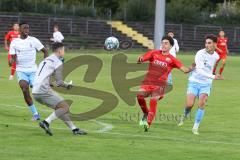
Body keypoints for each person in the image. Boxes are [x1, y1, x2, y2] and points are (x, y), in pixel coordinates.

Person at [137, 36, 194, 132]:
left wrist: (192, 67)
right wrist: (140, 59)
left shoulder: (172, 59)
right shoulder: (154, 53)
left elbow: (184, 70)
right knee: (139, 96)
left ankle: (148, 124)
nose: (163, 45)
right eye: (162, 42)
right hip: (148, 82)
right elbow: (142, 59)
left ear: (171, 46)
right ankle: (146, 113)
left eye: (166, 43)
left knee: (153, 100)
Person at [32, 42, 87, 136]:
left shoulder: (45, 60)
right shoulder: (57, 62)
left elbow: (45, 78)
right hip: (43, 90)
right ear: (59, 51)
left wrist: (52, 84)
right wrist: (68, 86)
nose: (64, 52)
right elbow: (60, 82)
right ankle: (46, 122)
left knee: (60, 109)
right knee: (64, 107)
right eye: (64, 50)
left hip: (35, 91)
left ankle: (74, 129)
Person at [178, 34, 224, 135]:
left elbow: (210, 69)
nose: (207, 45)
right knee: (190, 104)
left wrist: (214, 74)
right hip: (194, 81)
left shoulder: (216, 56)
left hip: (206, 84)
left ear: (215, 44)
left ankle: (195, 127)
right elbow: (199, 70)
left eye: (209, 43)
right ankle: (185, 115)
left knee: (202, 104)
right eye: (206, 43)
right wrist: (213, 76)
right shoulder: (200, 53)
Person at [9, 22, 48, 121]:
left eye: (28, 28)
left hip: (33, 70)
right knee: (24, 89)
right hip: (21, 70)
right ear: (20, 30)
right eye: (24, 28)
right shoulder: (14, 42)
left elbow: (45, 51)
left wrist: (45, 64)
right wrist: (11, 61)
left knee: (38, 91)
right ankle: (35, 113)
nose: (27, 30)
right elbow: (13, 58)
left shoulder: (33, 40)